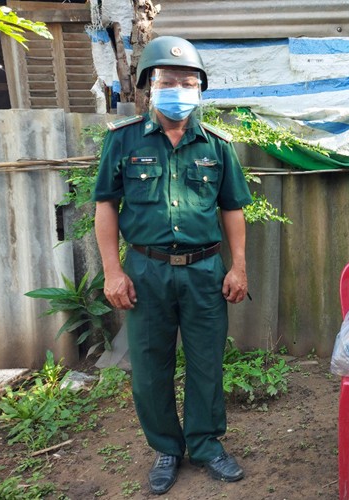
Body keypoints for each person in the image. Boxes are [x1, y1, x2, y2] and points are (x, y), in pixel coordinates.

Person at [93, 36, 252, 495]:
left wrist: (237, 267)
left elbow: (233, 210)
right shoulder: (122, 142)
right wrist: (112, 270)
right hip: (145, 271)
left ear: (200, 89)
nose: (178, 88)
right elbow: (105, 205)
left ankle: (206, 445)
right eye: (168, 81)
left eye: (187, 82)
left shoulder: (217, 146)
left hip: (204, 271)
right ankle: (166, 448)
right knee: (148, 365)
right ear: (149, 86)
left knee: (207, 364)